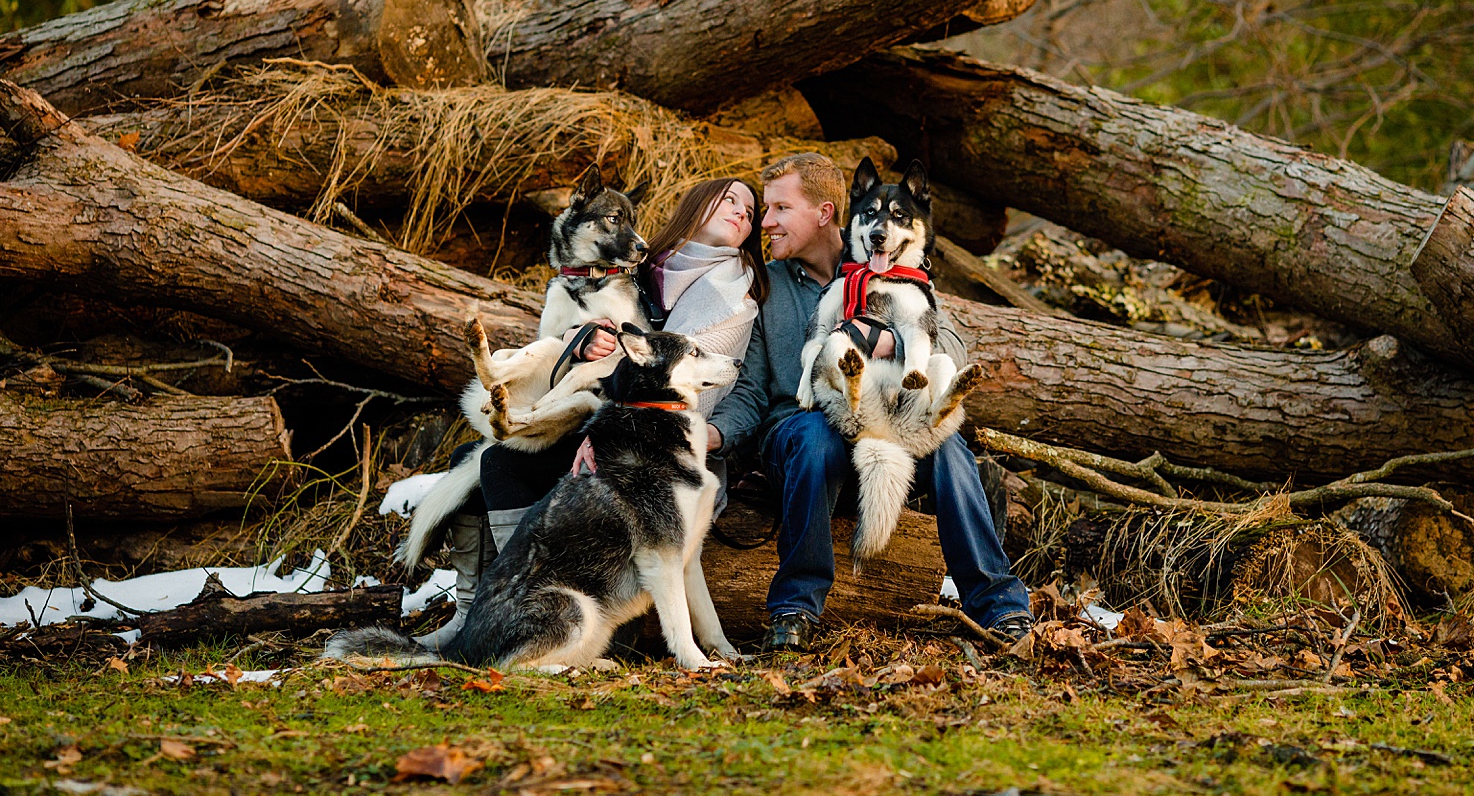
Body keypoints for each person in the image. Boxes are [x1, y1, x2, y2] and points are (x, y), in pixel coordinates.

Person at [419, 178, 768, 647]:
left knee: (498, 463)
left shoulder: (733, 291)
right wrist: (576, 342)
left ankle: (516, 606)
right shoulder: (646, 264)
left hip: (658, 439)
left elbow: (687, 380)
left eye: (751, 210)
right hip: (618, 416)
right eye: (730, 199)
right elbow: (595, 345)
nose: (742, 212)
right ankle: (479, 611)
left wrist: (603, 429)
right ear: (695, 206)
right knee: (472, 454)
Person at [707, 153, 1034, 652]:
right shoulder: (766, 286)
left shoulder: (890, 262)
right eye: (765, 210)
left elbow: (949, 341)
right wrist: (713, 434)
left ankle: (1001, 609)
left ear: (823, 213)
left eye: (779, 209)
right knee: (814, 437)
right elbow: (751, 390)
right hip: (800, 430)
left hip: (889, 425)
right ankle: (794, 608)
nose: (765, 223)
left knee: (949, 451)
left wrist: (888, 344)